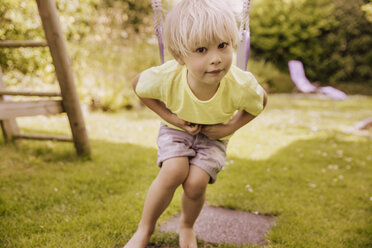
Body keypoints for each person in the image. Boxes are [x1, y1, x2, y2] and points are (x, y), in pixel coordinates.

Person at [124, 0, 267, 247]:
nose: (216, 59)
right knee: (173, 171)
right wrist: (170, 117)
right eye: (201, 50)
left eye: (222, 46)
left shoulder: (239, 84)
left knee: (196, 183)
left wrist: (230, 127)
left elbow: (261, 100)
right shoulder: (169, 77)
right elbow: (138, 85)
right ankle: (144, 230)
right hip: (176, 129)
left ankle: (187, 226)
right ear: (180, 56)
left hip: (215, 136)